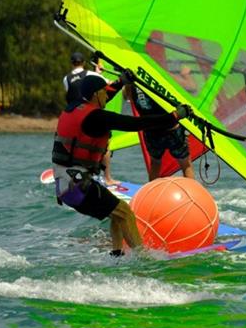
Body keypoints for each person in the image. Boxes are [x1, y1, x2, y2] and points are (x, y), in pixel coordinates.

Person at [52, 71, 193, 255]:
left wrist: (121, 82)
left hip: (66, 186)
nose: (106, 95)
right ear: (96, 94)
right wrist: (174, 116)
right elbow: (137, 123)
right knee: (125, 212)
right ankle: (143, 259)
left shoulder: (75, 107)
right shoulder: (97, 118)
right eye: (103, 92)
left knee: (116, 213)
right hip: (79, 186)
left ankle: (117, 255)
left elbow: (105, 93)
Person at [62, 51, 117, 185]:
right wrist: (101, 74)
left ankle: (80, 175)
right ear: (84, 63)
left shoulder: (66, 78)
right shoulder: (90, 74)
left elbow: (74, 93)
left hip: (75, 117)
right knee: (105, 146)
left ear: (72, 63)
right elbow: (106, 85)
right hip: (92, 115)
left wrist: (97, 73)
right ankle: (108, 178)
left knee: (80, 146)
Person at [123, 84, 196, 182]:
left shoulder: (131, 86)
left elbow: (126, 97)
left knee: (155, 163)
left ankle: (152, 193)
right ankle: (191, 194)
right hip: (172, 130)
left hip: (152, 133)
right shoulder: (152, 81)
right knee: (186, 164)